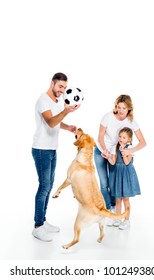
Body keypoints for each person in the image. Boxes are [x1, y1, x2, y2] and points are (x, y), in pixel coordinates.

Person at [31, 72, 79, 241]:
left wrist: (69, 127)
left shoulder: (57, 101)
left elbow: (57, 122)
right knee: (44, 186)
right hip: (41, 149)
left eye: (65, 88)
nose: (62, 90)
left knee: (49, 185)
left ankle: (43, 221)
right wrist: (66, 111)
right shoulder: (43, 100)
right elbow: (50, 122)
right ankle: (37, 226)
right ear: (52, 84)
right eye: (60, 86)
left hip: (51, 149)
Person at [94, 94, 146, 226]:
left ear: (129, 108)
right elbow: (100, 136)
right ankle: (110, 209)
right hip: (102, 150)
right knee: (104, 184)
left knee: (114, 185)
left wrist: (129, 150)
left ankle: (118, 214)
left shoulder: (131, 121)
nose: (121, 110)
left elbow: (143, 142)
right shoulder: (107, 117)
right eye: (119, 107)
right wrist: (105, 150)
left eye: (124, 108)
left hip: (117, 154)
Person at [103, 127, 141, 230]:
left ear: (129, 139)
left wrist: (124, 151)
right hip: (118, 174)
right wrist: (108, 157)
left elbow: (127, 162)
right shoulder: (116, 147)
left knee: (126, 199)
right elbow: (113, 162)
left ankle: (126, 220)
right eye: (120, 136)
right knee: (118, 199)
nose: (121, 139)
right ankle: (118, 218)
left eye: (124, 137)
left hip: (126, 174)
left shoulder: (129, 148)